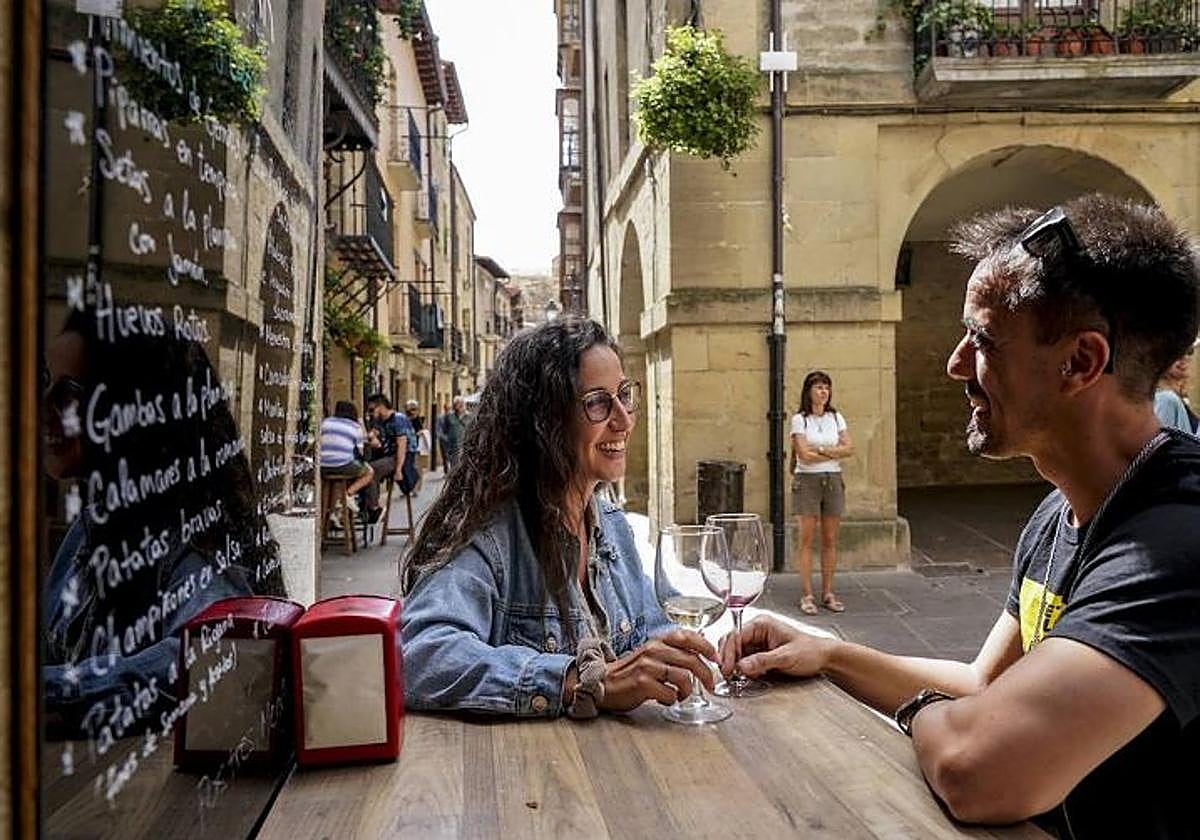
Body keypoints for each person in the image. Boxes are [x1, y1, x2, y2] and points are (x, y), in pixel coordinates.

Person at [720, 195, 1200, 838]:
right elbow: (981, 684)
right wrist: (830, 654)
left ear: (1081, 362)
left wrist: (926, 712)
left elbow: (979, 769)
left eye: (983, 340)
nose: (954, 366)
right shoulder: (1059, 513)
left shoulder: (1176, 540)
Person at [400, 317, 717, 717]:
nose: (623, 419)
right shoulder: (492, 537)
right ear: (546, 421)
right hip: (529, 773)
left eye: (624, 394)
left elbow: (655, 629)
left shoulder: (613, 527)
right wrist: (577, 683)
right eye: (598, 402)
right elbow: (419, 653)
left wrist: (718, 655)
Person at [790, 371, 854, 615]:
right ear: (809, 391)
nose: (823, 391)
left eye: (826, 387)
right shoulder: (799, 420)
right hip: (807, 480)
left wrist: (820, 448)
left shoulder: (836, 417)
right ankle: (807, 594)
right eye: (818, 387)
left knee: (830, 539)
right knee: (806, 539)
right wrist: (833, 449)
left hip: (833, 479)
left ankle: (828, 592)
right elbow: (803, 455)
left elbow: (849, 448)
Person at [363, 393, 418, 521]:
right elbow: (373, 432)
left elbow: (402, 446)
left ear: (381, 407)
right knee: (366, 471)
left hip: (401, 457)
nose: (370, 413)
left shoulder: (398, 419)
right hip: (388, 455)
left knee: (369, 470)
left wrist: (398, 470)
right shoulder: (380, 420)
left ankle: (374, 508)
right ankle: (371, 507)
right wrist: (373, 438)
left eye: (372, 410)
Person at [318, 401, 374, 512]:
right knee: (369, 472)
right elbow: (362, 453)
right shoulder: (355, 426)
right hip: (342, 465)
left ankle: (332, 513)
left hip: (322, 466)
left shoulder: (325, 422)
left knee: (336, 481)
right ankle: (347, 495)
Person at [1153, 341, 1197, 433]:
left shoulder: (1172, 398)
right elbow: (1159, 444)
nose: (1184, 359)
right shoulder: (1167, 399)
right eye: (1176, 354)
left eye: (1189, 352)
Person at [436, 396, 467, 472]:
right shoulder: (449, 416)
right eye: (457, 404)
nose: (459, 406)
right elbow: (444, 430)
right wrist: (446, 439)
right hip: (453, 447)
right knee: (454, 467)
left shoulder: (469, 416)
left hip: (465, 447)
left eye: (461, 404)